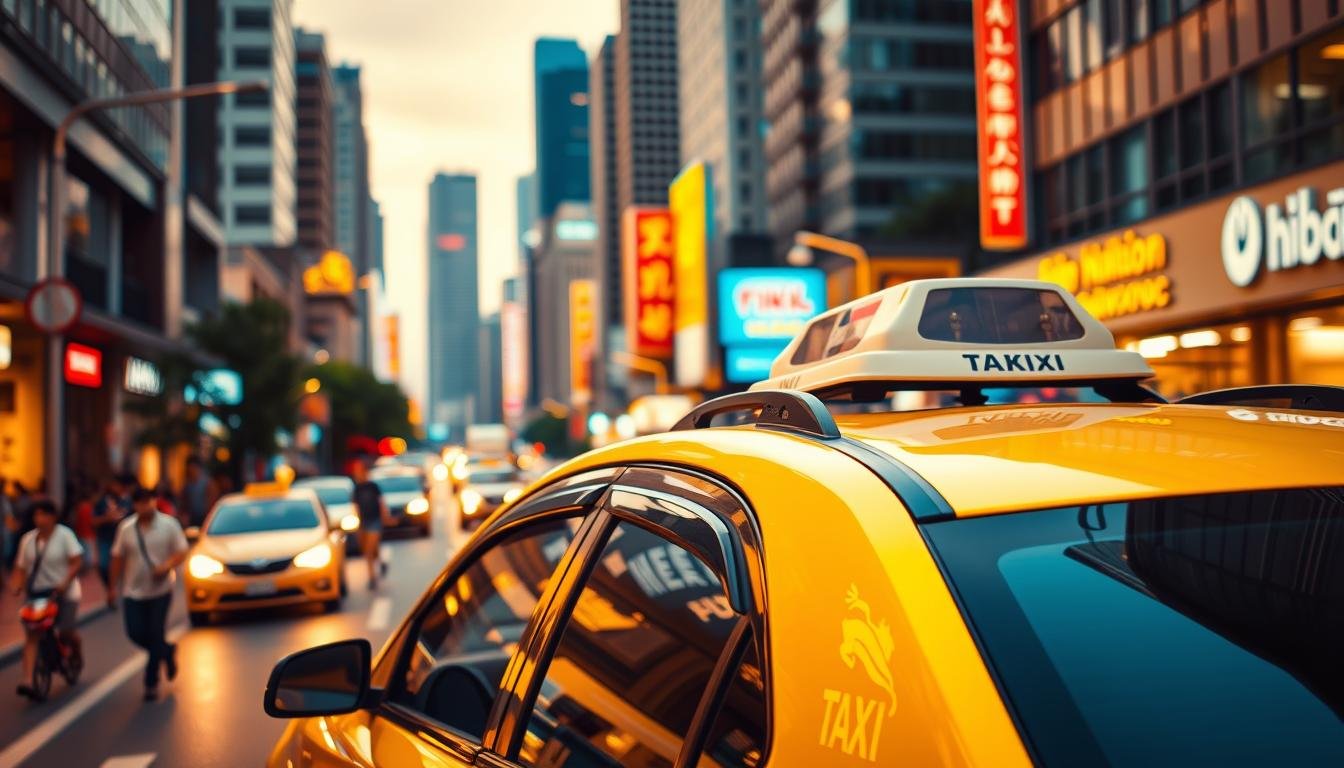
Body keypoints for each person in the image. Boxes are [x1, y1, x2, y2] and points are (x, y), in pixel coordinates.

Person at [109, 487, 188, 702]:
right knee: (135, 632)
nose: (144, 506)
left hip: (161, 591)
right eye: (139, 503)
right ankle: (167, 651)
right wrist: (111, 588)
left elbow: (182, 551)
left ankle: (151, 682)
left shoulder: (168, 525)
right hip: (133, 591)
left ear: (155, 501)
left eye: (148, 501)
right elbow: (117, 557)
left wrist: (167, 566)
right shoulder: (126, 529)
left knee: (154, 633)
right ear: (134, 505)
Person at [8, 500, 83, 700]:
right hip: (37, 595)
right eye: (36, 515)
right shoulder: (28, 540)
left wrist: (65, 581)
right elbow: (20, 568)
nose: (39, 519)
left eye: (44, 515)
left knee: (66, 630)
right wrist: (16, 584)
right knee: (32, 635)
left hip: (63, 594)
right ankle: (27, 680)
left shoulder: (65, 535)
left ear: (53, 517)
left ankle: (75, 649)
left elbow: (76, 561)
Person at [92, 475, 133, 606]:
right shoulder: (102, 502)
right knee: (103, 565)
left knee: (120, 566)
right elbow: (93, 521)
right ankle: (111, 588)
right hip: (105, 538)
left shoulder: (128, 501)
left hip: (122, 540)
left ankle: (114, 589)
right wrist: (107, 518)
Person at [350, 459, 389, 589]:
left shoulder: (373, 486)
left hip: (375, 520)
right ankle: (382, 563)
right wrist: (358, 523)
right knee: (371, 549)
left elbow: (381, 502)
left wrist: (385, 516)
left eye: (359, 470)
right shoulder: (356, 489)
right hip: (364, 522)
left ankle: (372, 578)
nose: (357, 473)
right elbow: (355, 507)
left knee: (369, 550)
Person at [178, 457, 215, 529]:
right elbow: (184, 501)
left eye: (192, 467)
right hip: (192, 518)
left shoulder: (207, 483)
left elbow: (211, 501)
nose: (191, 470)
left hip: (205, 517)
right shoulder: (187, 484)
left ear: (198, 468)